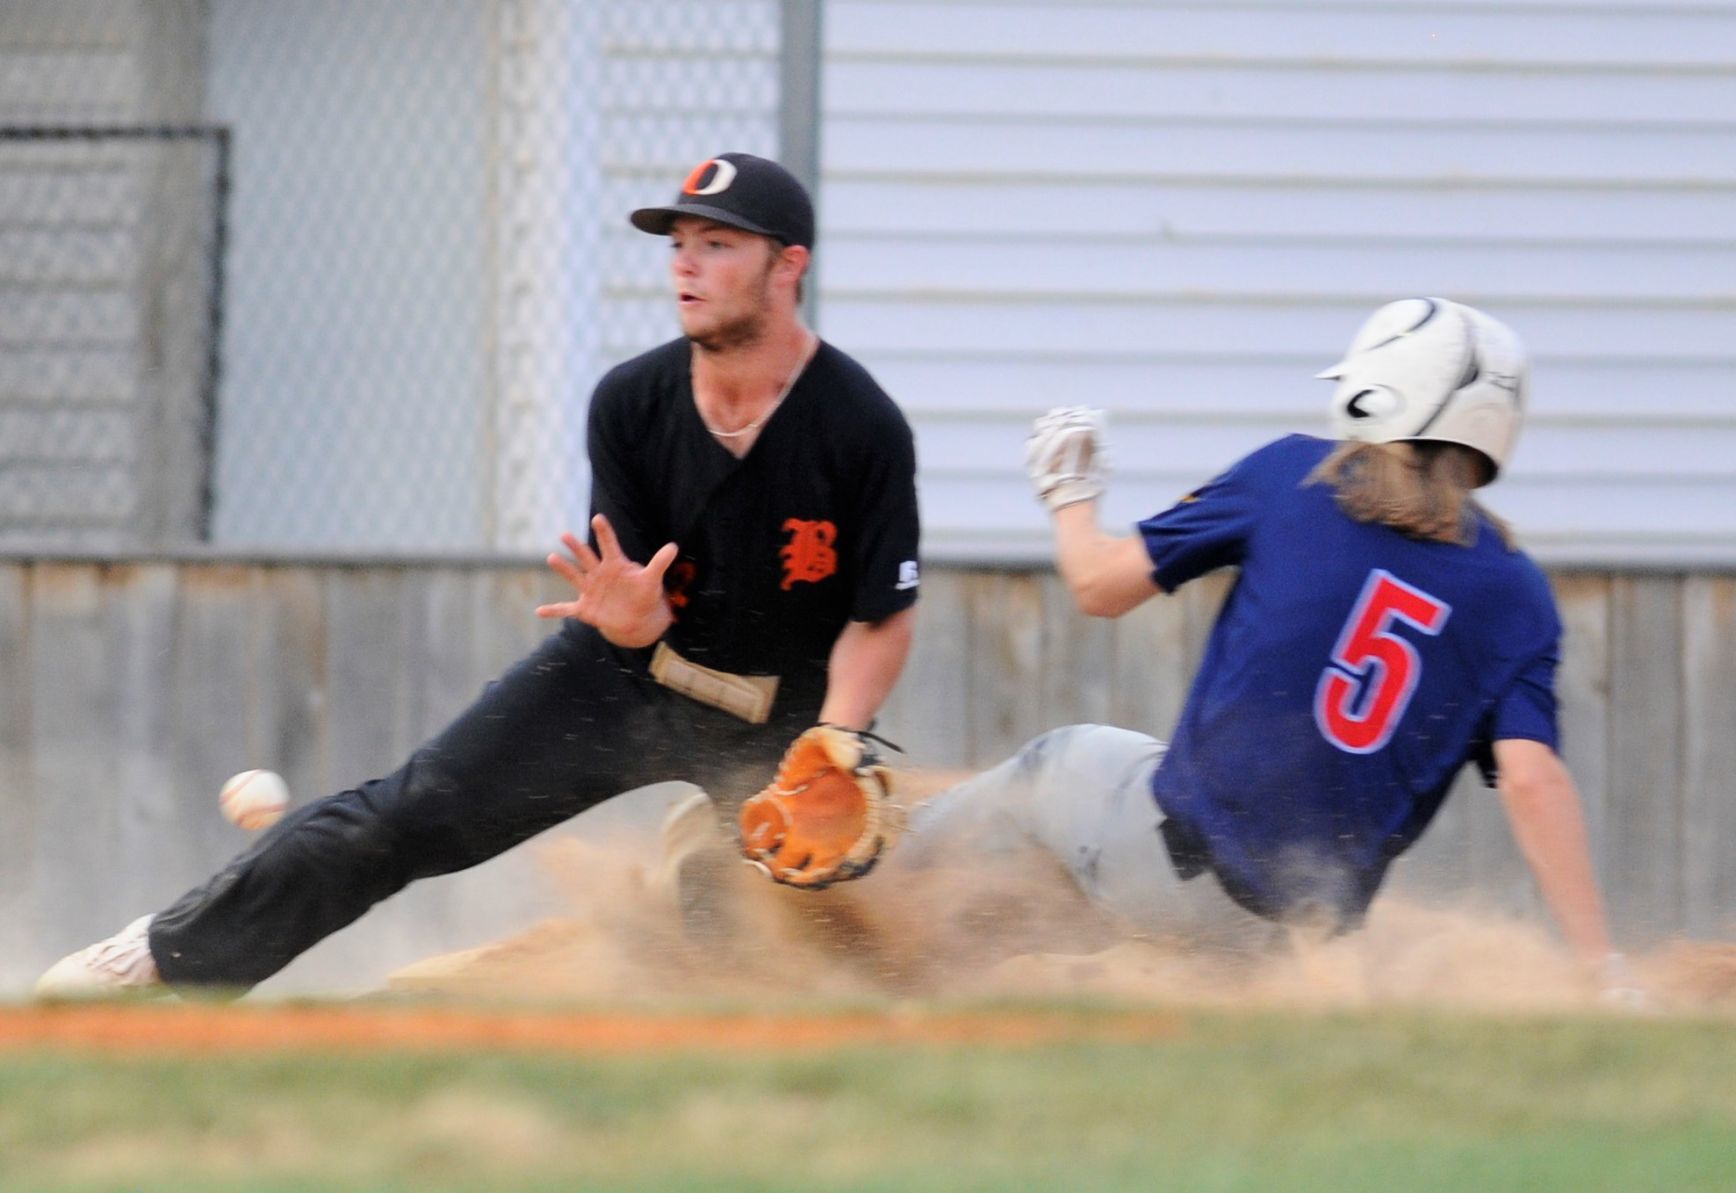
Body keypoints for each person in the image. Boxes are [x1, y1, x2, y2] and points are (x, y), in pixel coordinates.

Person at [38, 152, 922, 996]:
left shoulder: (859, 427)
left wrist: (836, 741)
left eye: (718, 244)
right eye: (679, 244)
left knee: (803, 944)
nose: (686, 265)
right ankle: (156, 959)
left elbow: (880, 616)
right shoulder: (632, 401)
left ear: (787, 264)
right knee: (408, 814)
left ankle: (708, 855)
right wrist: (627, 622)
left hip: (783, 725)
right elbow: (628, 591)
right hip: (626, 679)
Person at [898, 297, 1632, 993]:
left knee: (1057, 761)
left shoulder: (1295, 476)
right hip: (1299, 942)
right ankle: (960, 957)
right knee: (1101, 854)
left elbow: (1098, 587)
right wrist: (1597, 967)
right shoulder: (1517, 591)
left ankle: (862, 884)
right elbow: (1534, 783)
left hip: (1171, 866)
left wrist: (1070, 492)